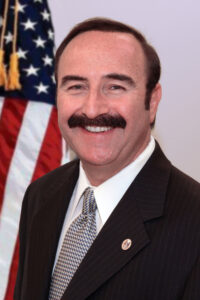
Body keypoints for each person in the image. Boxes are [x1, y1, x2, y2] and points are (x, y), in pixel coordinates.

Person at [14, 18, 200, 300]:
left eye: (115, 87)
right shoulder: (41, 195)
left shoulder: (193, 220)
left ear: (152, 101)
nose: (92, 109)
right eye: (76, 86)